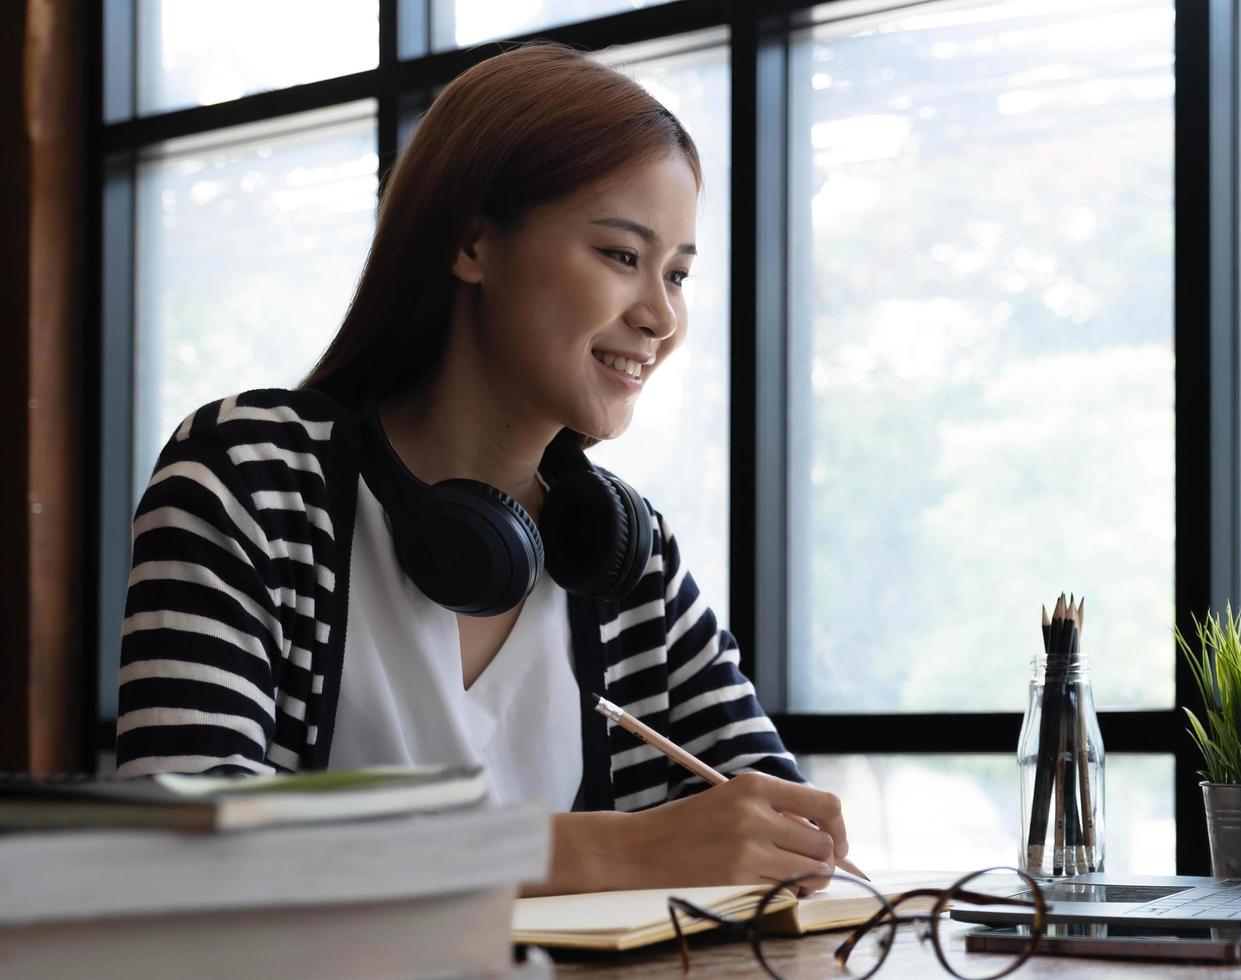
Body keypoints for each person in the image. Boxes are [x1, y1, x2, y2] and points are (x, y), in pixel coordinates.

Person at [114, 41, 848, 897]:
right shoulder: (248, 480)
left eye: (678, 274)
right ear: (472, 243)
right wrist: (626, 852)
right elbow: (187, 853)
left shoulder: (623, 555)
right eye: (621, 256)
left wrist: (779, 846)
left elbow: (785, 833)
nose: (660, 316)